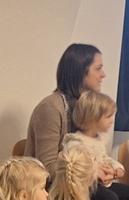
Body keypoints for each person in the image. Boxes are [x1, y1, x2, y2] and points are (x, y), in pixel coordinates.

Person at [27, 43, 107, 180]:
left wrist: (107, 170)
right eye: (98, 69)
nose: (103, 75)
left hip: (81, 184)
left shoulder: (87, 107)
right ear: (81, 71)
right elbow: (46, 168)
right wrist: (91, 173)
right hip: (52, 188)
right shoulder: (50, 108)